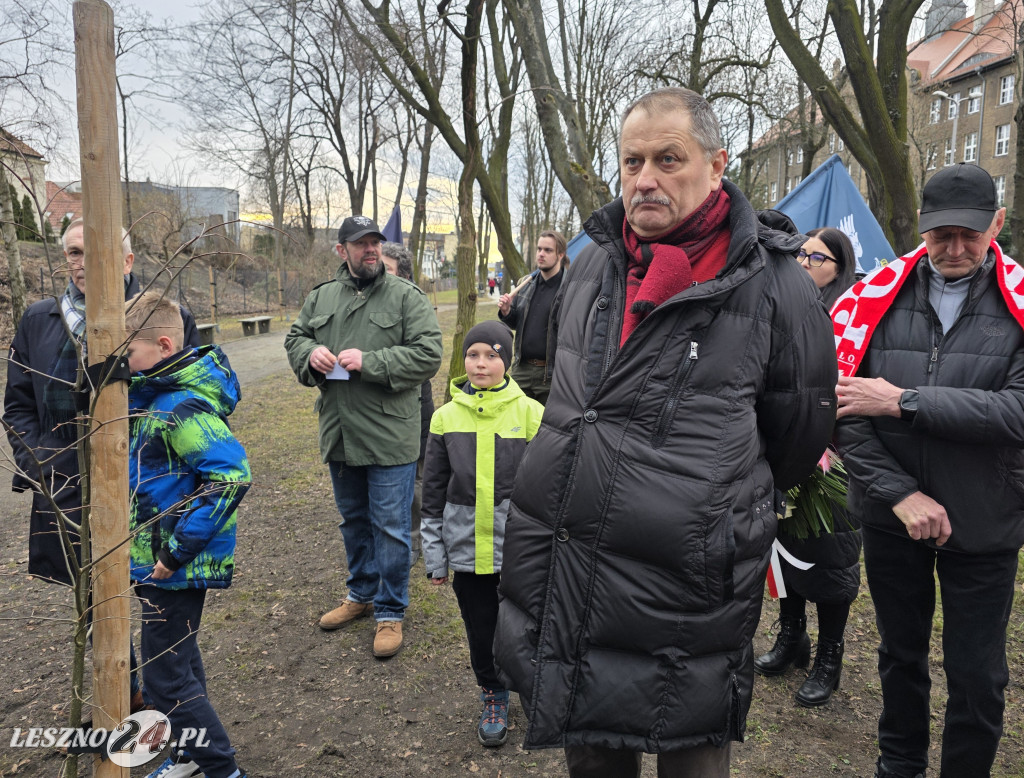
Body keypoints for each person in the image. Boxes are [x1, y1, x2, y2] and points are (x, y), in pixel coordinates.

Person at [492, 87, 838, 777]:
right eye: (632, 161)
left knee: (692, 754)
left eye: (668, 159)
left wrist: (710, 508)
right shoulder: (594, 265)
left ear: (717, 164)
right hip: (578, 570)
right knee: (593, 754)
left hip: (689, 588)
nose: (645, 179)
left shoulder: (778, 285)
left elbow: (798, 434)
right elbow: (569, 391)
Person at [833, 163, 1023, 778]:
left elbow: (1017, 413)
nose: (956, 248)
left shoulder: (1020, 305)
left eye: (970, 234)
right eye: (942, 234)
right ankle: (900, 763)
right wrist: (900, 495)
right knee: (899, 654)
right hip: (891, 516)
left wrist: (904, 401)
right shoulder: (870, 299)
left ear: (997, 223)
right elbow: (842, 410)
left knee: (978, 675)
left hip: (985, 515)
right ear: (921, 226)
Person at [3, 218, 200, 713]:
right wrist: (44, 465)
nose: (83, 262)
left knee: (160, 602)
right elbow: (18, 406)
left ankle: (176, 704)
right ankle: (125, 695)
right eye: (74, 251)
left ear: (127, 260)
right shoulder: (39, 320)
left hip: (149, 489)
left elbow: (195, 398)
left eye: (96, 251)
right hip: (69, 489)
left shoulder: (165, 315)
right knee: (95, 602)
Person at [284, 216, 442, 658]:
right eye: (361, 243)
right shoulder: (321, 297)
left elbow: (428, 353)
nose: (371, 249)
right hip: (340, 431)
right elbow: (295, 338)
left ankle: (390, 610)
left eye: (375, 242)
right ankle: (361, 594)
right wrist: (310, 354)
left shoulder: (407, 296)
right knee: (353, 520)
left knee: (391, 526)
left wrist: (372, 361)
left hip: (390, 433)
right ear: (342, 251)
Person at [123, 291, 249, 778]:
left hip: (173, 565)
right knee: (181, 663)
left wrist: (176, 552)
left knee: (164, 679)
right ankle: (189, 756)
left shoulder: (180, 406)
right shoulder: (153, 399)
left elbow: (231, 476)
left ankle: (222, 770)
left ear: (163, 345)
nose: (123, 364)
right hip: (155, 561)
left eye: (129, 352)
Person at [421, 321, 544, 748]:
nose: (481, 363)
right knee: (481, 628)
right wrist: (435, 556)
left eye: (492, 355)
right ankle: (493, 692)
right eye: (473, 355)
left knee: (528, 626)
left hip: (520, 553)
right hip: (468, 553)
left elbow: (548, 488)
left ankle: (534, 688)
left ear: (507, 361)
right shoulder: (444, 418)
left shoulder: (531, 413)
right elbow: (432, 493)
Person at [754, 227, 859, 707]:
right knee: (785, 548)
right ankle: (792, 635)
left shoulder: (852, 315)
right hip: (788, 452)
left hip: (835, 461)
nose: (803, 263)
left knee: (830, 556)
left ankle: (830, 657)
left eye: (816, 258)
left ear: (839, 267)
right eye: (801, 255)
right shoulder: (788, 310)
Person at [381, 241, 436, 567]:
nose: (379, 274)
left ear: (403, 275)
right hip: (378, 412)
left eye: (386, 269)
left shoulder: (415, 305)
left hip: (414, 406)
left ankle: (417, 541)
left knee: (417, 478)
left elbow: (424, 359)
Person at [497, 230, 567, 403]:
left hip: (552, 372)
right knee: (515, 417)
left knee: (547, 419)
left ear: (560, 254)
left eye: (548, 250)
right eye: (539, 249)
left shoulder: (569, 288)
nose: (541, 254)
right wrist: (506, 311)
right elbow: (516, 322)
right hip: (522, 369)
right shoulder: (525, 284)